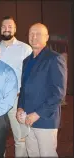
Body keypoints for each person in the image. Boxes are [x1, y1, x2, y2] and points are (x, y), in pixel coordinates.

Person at [16, 23, 67, 157]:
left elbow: (58, 93)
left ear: (47, 37)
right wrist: (20, 107)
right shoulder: (26, 61)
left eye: (38, 34)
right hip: (27, 119)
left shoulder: (54, 58)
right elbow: (24, 88)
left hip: (45, 119)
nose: (34, 37)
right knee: (32, 153)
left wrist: (37, 114)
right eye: (31, 33)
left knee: (47, 154)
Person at [0, 16, 32, 157]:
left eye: (10, 26)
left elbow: (31, 76)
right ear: (0, 29)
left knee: (20, 138)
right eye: (4, 26)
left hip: (16, 100)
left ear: (15, 29)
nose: (7, 29)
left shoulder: (25, 49)